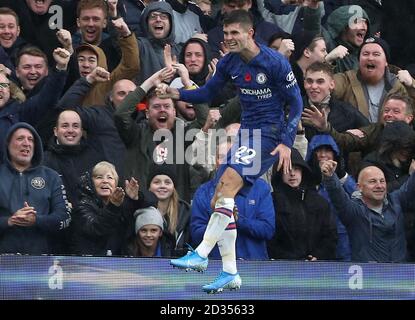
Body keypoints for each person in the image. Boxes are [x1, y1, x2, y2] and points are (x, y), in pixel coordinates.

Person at [156, 10, 303, 293]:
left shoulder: (274, 63)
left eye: (235, 33)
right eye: (225, 34)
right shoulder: (229, 62)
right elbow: (208, 93)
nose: (229, 38)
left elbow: (295, 104)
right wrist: (178, 94)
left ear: (250, 33)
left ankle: (201, 254)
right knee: (217, 201)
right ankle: (230, 272)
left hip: (269, 136)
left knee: (227, 189)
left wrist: (286, 140)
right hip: (247, 134)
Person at [192, 140, 275, 260]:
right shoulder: (203, 193)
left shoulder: (260, 188)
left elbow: (267, 229)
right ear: (216, 162)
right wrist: (221, 221)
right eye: (222, 157)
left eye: (232, 157)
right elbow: (196, 235)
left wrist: (238, 220)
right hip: (216, 269)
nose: (227, 162)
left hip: (255, 269)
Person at [321, 161, 415, 262]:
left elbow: (411, 186)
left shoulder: (396, 201)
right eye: (372, 181)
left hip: (401, 273)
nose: (379, 186)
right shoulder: (353, 211)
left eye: (382, 181)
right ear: (359, 187)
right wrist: (330, 177)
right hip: (369, 275)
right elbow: (337, 195)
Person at [0, 122, 71, 254]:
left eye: (30, 139)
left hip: (42, 262)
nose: (26, 143)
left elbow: (64, 217)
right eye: (20, 138)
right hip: (3, 261)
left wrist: (37, 220)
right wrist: (9, 221)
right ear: (8, 145)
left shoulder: (51, 176)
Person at [70, 161, 156, 255]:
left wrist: (135, 198)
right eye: (99, 177)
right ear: (90, 182)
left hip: (118, 264)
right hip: (89, 265)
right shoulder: (82, 205)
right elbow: (96, 228)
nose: (105, 181)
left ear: (116, 184)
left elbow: (153, 201)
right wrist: (113, 206)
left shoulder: (120, 203)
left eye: (110, 177)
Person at [268, 147, 337, 261]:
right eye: (287, 169)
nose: (292, 174)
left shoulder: (320, 202)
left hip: (317, 267)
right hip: (281, 268)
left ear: (303, 172)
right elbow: (270, 238)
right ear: (280, 173)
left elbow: (330, 235)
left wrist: (318, 255)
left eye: (296, 169)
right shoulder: (272, 201)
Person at [147, 164, 191, 257]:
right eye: (157, 182)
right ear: (149, 187)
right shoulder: (141, 210)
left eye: (167, 182)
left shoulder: (185, 213)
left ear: (173, 187)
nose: (162, 186)